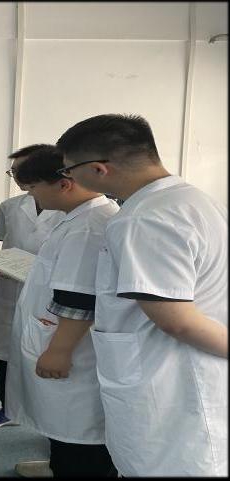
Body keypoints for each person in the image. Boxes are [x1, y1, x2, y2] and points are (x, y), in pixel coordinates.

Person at [56, 114, 228, 476]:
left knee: (170, 464)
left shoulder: (144, 218)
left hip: (171, 382)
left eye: (69, 170)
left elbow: (177, 321)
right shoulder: (194, 200)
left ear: (99, 169)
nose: (69, 179)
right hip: (186, 373)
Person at [5, 145, 119, 477]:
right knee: (64, 434)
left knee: (79, 438)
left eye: (32, 189)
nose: (32, 196)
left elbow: (79, 297)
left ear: (64, 184)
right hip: (58, 335)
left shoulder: (89, 226)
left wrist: (59, 350)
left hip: (73, 350)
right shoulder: (79, 217)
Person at [0, 145, 63, 433]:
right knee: (4, 353)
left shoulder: (70, 211)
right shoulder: (10, 207)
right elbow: (2, 244)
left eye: (23, 169)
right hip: (9, 288)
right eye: (14, 171)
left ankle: (47, 417)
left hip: (50, 294)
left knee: (45, 356)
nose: (18, 176)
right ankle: (8, 409)